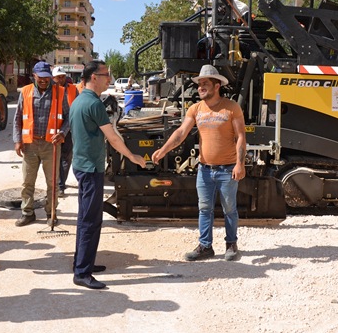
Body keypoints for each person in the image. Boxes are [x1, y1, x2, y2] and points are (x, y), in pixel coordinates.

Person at [151, 64, 246, 262]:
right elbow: (180, 134)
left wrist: (240, 164)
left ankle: (231, 245)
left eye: (205, 84)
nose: (200, 87)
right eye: (199, 84)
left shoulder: (231, 107)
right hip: (204, 169)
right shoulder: (195, 109)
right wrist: (163, 150)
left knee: (229, 209)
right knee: (204, 209)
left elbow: (240, 137)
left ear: (217, 85)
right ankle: (205, 246)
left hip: (227, 170)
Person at [70, 60, 146, 289]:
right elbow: (112, 137)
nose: (109, 80)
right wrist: (132, 157)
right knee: (90, 221)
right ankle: (82, 272)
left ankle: (83, 263)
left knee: (88, 218)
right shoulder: (93, 104)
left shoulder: (80, 100)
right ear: (94, 77)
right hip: (90, 169)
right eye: (105, 75)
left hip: (84, 166)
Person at [13, 61, 70, 227]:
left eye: (47, 77)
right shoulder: (25, 92)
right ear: (34, 76)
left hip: (50, 145)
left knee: (52, 183)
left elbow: (69, 118)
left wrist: (62, 133)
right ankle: (27, 212)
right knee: (27, 182)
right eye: (41, 77)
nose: (44, 80)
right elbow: (17, 118)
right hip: (30, 144)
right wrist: (17, 140)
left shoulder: (60, 93)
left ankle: (51, 213)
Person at [52, 66, 79, 197]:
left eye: (63, 76)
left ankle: (61, 185)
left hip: (69, 127)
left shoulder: (73, 89)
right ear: (53, 78)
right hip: (52, 128)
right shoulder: (50, 90)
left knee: (66, 157)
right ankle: (55, 183)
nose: (61, 79)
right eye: (58, 77)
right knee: (54, 157)